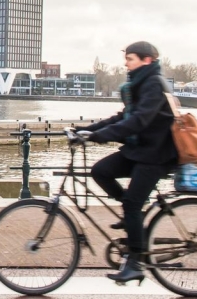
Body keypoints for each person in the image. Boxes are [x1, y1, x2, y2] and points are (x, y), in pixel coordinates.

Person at [76, 41, 177, 284]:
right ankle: (134, 218)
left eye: (130, 59)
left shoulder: (153, 83)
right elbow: (123, 116)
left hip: (156, 154)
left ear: (147, 60)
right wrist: (87, 130)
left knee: (132, 205)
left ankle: (135, 264)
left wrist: (101, 136)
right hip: (140, 150)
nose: (126, 63)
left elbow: (139, 121)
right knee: (101, 171)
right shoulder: (141, 83)